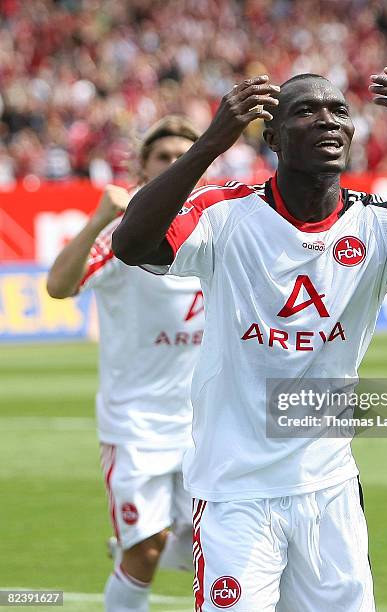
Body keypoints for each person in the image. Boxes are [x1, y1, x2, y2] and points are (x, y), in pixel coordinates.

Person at [112, 70, 387, 611]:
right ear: (273, 137)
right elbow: (132, 243)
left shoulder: (378, 224)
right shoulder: (225, 215)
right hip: (236, 493)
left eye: (338, 111)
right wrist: (211, 142)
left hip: (329, 492)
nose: (328, 120)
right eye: (306, 111)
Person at [47, 116, 205, 612]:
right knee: (145, 553)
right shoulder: (123, 233)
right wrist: (97, 220)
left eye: (186, 155)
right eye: (164, 156)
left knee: (222, 549)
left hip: (208, 424)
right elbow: (57, 286)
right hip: (138, 424)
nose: (175, 164)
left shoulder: (221, 222)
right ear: (141, 165)